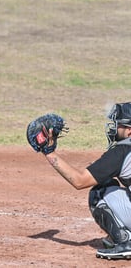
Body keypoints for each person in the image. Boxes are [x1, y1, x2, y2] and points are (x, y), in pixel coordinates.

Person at [42, 102, 131, 260]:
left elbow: (80, 181)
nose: (113, 128)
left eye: (118, 125)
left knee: (100, 190)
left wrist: (48, 152)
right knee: (109, 181)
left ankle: (125, 242)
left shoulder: (121, 151)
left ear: (129, 131)